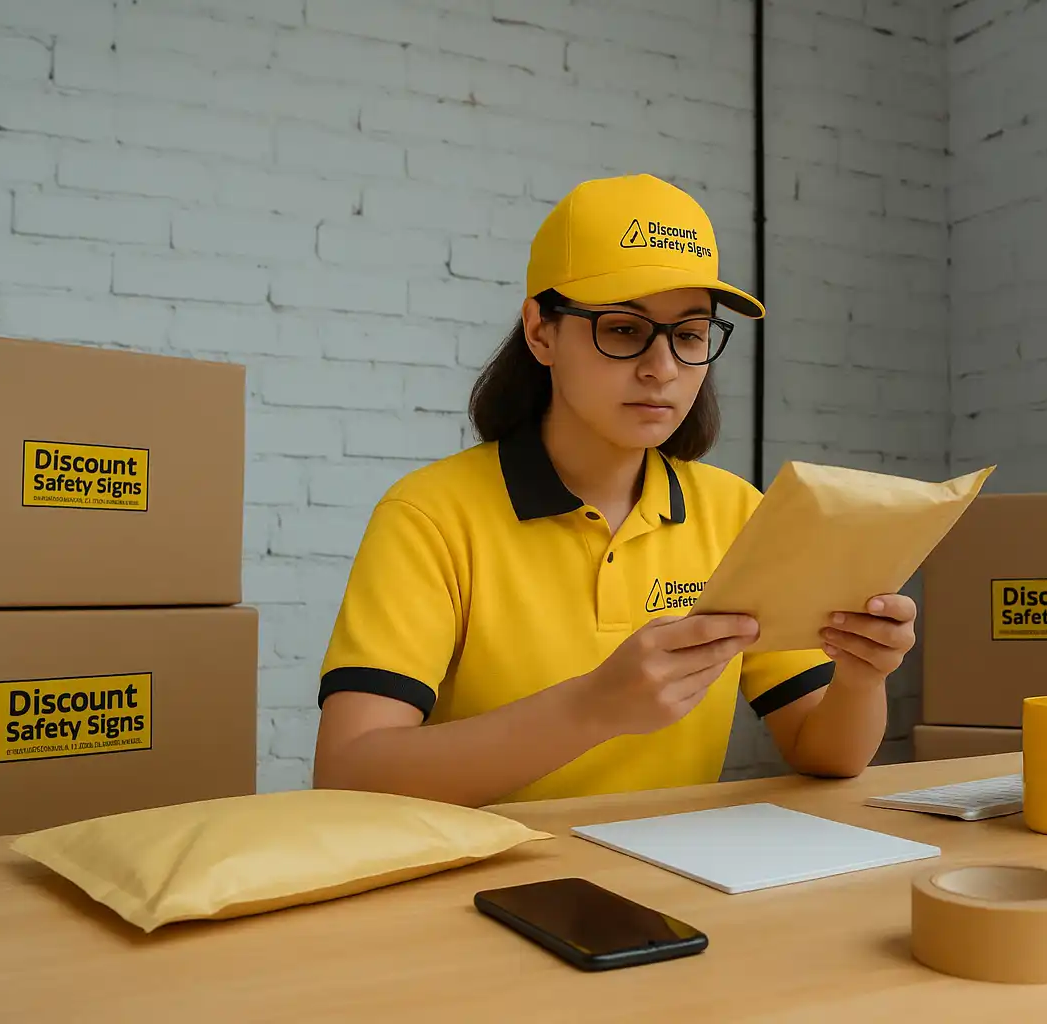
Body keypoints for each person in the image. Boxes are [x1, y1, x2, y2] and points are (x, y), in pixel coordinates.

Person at [311, 173, 916, 808]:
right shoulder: (430, 515)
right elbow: (349, 774)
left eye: (689, 335)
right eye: (624, 330)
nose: (663, 368)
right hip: (476, 884)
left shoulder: (736, 511)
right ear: (541, 332)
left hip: (671, 881)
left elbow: (826, 754)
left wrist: (861, 675)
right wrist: (593, 708)